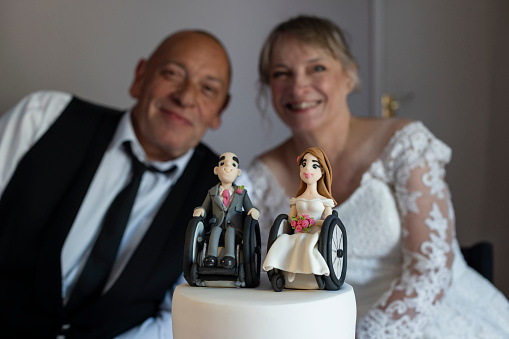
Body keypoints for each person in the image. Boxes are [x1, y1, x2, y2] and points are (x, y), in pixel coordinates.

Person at [246, 15, 509, 338]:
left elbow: (432, 267)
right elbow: (264, 278)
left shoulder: (404, 143)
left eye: (317, 68)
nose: (298, 86)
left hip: (428, 316)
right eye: (281, 73)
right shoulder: (260, 174)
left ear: (349, 75)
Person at [0, 30, 231, 338]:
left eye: (207, 89)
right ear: (140, 77)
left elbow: (180, 319)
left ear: (219, 111)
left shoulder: (222, 197)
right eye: (172, 73)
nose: (186, 97)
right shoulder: (43, 117)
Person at [263, 147, 336, 288]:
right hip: (298, 231)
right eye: (304, 164)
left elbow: (328, 222)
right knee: (284, 239)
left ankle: (307, 273)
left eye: (314, 165)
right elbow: (290, 220)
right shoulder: (297, 200)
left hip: (316, 233)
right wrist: (298, 222)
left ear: (322, 170)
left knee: (305, 241)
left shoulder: (324, 200)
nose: (307, 169)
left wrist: (311, 222)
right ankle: (285, 271)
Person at [193, 152, 259, 269]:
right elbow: (205, 207)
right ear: (216, 170)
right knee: (215, 231)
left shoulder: (241, 193)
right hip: (216, 226)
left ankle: (230, 256)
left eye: (233, 165)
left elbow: (250, 207)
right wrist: (200, 210)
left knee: (230, 232)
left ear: (238, 172)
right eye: (223, 164)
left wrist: (253, 211)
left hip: (235, 230)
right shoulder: (212, 192)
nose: (228, 166)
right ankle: (211, 256)